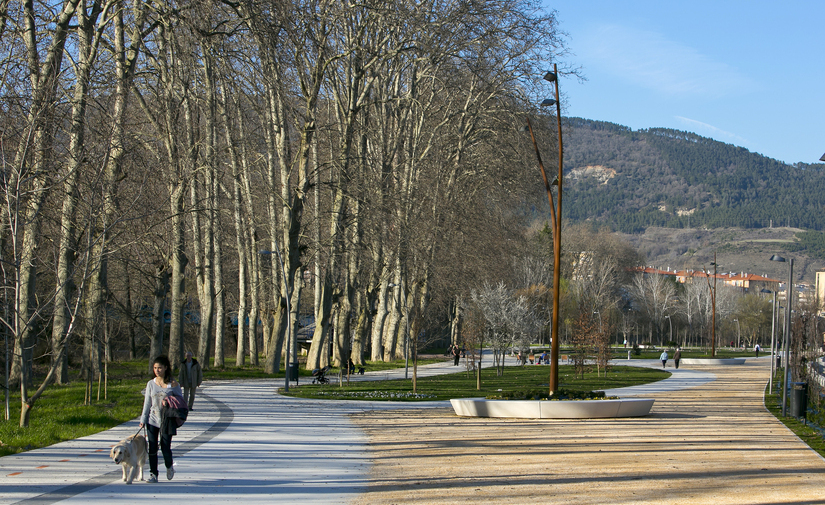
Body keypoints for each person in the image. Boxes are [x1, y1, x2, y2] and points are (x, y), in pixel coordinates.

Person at [140, 355, 182, 483]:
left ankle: (169, 466)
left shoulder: (173, 384)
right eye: (155, 368)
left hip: (167, 420)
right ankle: (153, 474)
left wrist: (169, 401)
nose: (157, 370)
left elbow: (181, 402)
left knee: (165, 447)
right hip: (152, 420)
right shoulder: (151, 384)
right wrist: (143, 419)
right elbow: (147, 403)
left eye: (159, 368)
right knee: (152, 448)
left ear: (165, 368)